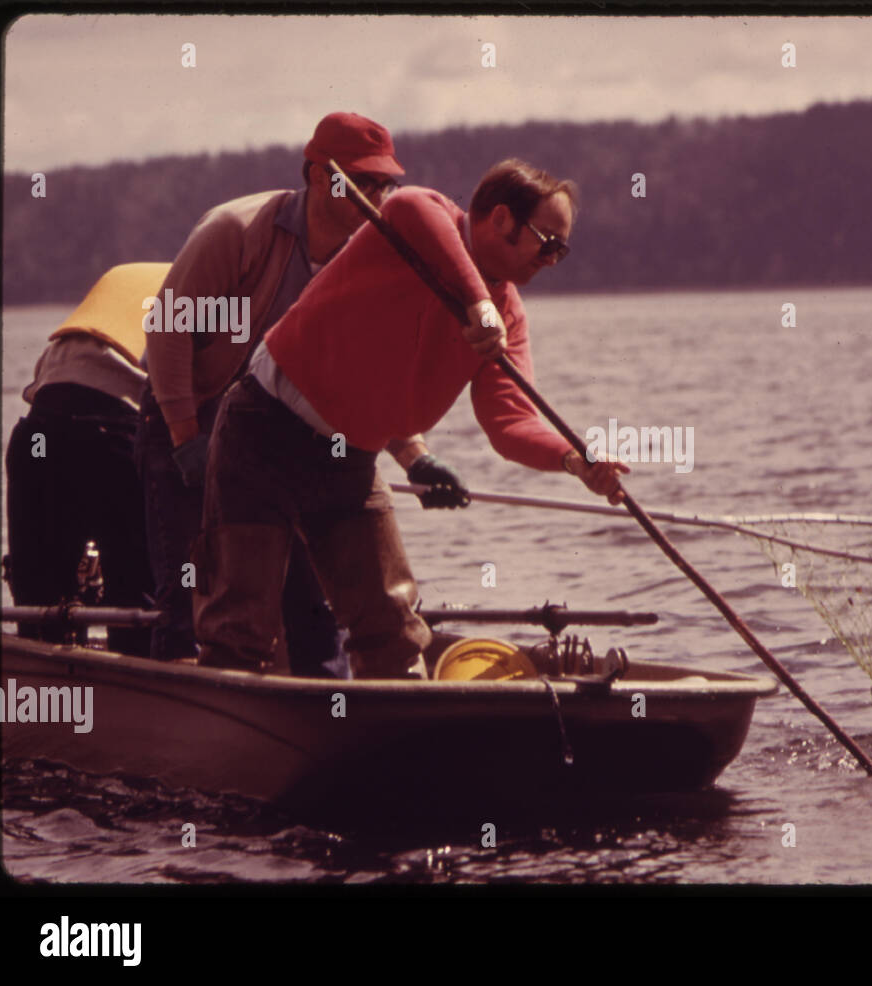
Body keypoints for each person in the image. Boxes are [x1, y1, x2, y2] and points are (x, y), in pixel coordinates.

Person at [193, 158, 628, 677]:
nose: (553, 260)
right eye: (547, 242)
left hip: (348, 462)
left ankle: (398, 735)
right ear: (503, 220)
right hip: (263, 430)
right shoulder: (422, 222)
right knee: (239, 628)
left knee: (393, 633)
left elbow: (510, 425)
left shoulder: (507, 315)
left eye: (562, 248)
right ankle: (224, 731)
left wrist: (574, 459)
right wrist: (475, 302)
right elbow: (407, 204)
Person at [136, 111, 463, 675]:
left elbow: (371, 377)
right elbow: (167, 332)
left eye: (384, 184)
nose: (374, 195)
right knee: (195, 596)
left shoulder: (375, 254)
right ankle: (186, 709)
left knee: (316, 604)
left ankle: (327, 705)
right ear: (317, 176)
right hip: (189, 413)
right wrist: (187, 438)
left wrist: (416, 456)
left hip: (291, 429)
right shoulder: (235, 232)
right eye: (359, 181)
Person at [5, 264, 169, 656]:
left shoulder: (123, 281)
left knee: (40, 605)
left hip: (38, 433)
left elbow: (43, 387)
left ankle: (44, 686)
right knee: (136, 592)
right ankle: (143, 689)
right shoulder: (212, 294)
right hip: (114, 437)